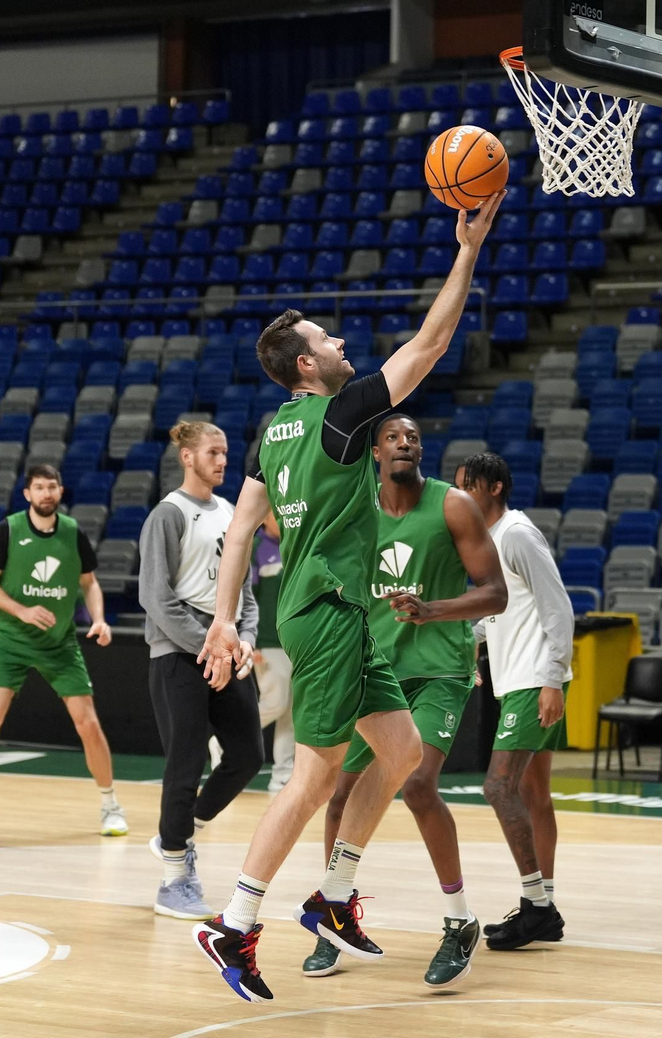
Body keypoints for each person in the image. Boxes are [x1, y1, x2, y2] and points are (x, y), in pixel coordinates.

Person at [189, 190, 505, 1004]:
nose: (341, 344)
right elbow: (431, 343)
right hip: (327, 611)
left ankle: (332, 895)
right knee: (316, 773)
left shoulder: (273, 432)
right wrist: (467, 249)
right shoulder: (341, 414)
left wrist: (226, 617)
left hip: (332, 611)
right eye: (327, 340)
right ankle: (235, 923)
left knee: (398, 754)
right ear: (307, 365)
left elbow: (242, 531)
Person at [303, 415, 506, 986]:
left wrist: (434, 608)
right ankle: (333, 917)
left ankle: (459, 919)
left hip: (439, 668)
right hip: (373, 668)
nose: (404, 443)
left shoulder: (452, 506)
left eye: (413, 437)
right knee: (340, 795)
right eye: (392, 436)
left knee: (417, 783)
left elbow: (497, 594)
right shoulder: (354, 509)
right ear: (373, 451)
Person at [0, 464, 125, 839]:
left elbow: (89, 584)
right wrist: (22, 610)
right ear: (27, 494)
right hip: (10, 639)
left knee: (88, 723)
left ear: (60, 492)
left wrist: (100, 619)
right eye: (38, 487)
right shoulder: (7, 530)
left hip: (59, 642)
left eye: (52, 486)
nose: (46, 493)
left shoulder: (73, 532)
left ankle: (110, 805)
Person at [137, 420, 264, 921]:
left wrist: (245, 640)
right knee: (185, 764)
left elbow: (245, 595)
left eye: (225, 453)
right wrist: (209, 649)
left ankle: (181, 829)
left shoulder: (233, 513)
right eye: (213, 452)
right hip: (177, 653)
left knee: (248, 756)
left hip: (223, 648)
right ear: (187, 457)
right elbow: (156, 597)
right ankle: (173, 879)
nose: (222, 460)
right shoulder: (168, 514)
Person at [460, 451, 571, 951]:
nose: (460, 495)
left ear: (494, 488)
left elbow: (558, 606)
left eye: (469, 486)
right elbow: (506, 613)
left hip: (533, 680)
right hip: (517, 679)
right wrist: (471, 643)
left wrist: (552, 678)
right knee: (534, 796)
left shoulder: (519, 535)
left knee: (498, 787)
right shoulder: (489, 541)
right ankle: (541, 904)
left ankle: (537, 906)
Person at [252, 513, 295, 793]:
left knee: (290, 710)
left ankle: (282, 775)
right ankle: (225, 740)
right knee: (275, 703)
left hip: (294, 641)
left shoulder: (296, 543)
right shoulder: (255, 548)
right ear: (265, 517)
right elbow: (246, 596)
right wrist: (250, 639)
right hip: (266, 641)